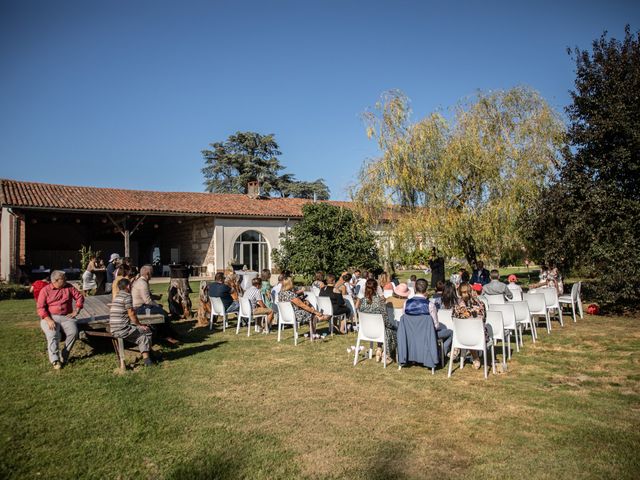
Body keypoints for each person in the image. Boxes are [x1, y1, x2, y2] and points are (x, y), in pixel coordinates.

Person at [36, 270, 84, 369]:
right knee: (53, 334)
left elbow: (79, 297)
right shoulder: (45, 290)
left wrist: (77, 310)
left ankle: (64, 355)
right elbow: (40, 308)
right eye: (63, 278)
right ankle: (55, 360)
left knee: (74, 332)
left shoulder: (69, 287)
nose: (66, 280)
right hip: (50, 317)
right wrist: (48, 320)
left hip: (66, 316)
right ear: (56, 280)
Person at [109, 278, 154, 367]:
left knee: (142, 332)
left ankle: (148, 356)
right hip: (122, 329)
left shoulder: (117, 296)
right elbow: (131, 314)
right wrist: (140, 325)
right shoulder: (127, 296)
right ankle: (148, 360)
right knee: (145, 332)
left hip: (113, 328)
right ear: (128, 286)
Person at [404, 278, 453, 357]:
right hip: (427, 334)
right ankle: (441, 354)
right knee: (450, 332)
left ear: (415, 288)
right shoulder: (430, 305)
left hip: (411, 333)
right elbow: (436, 326)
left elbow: (405, 320)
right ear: (426, 289)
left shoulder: (406, 303)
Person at [131, 264, 179, 345]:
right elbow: (147, 301)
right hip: (139, 308)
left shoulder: (141, 281)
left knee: (162, 312)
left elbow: (148, 296)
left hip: (141, 307)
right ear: (147, 273)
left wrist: (157, 298)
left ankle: (168, 335)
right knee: (163, 314)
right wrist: (157, 306)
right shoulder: (143, 283)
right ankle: (167, 336)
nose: (152, 275)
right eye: (151, 273)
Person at [357, 278, 396, 362]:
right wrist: (392, 326)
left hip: (366, 330)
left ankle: (379, 348)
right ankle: (385, 354)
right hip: (378, 331)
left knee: (383, 327)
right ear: (376, 288)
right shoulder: (380, 300)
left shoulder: (362, 301)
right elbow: (385, 319)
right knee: (391, 330)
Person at [453, 282, 487, 369]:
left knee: (466, 331)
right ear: (471, 291)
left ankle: (457, 349)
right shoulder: (480, 304)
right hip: (478, 335)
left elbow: (453, 320)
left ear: (459, 293)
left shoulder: (456, 306)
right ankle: (475, 357)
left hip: (460, 337)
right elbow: (484, 319)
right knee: (470, 331)